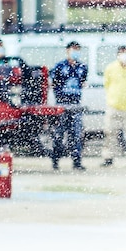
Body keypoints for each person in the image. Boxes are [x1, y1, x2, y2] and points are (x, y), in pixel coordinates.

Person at [100, 46, 126, 167]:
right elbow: (107, 84)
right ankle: (108, 158)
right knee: (110, 133)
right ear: (118, 54)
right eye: (122, 53)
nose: (124, 55)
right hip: (113, 106)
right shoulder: (110, 68)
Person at [50, 41, 88, 171]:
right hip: (62, 104)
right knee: (58, 134)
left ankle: (76, 161)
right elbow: (53, 84)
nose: (75, 52)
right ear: (67, 50)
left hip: (75, 104)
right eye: (73, 49)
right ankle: (55, 160)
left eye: (78, 49)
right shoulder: (60, 66)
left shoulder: (82, 67)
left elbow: (82, 82)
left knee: (76, 134)